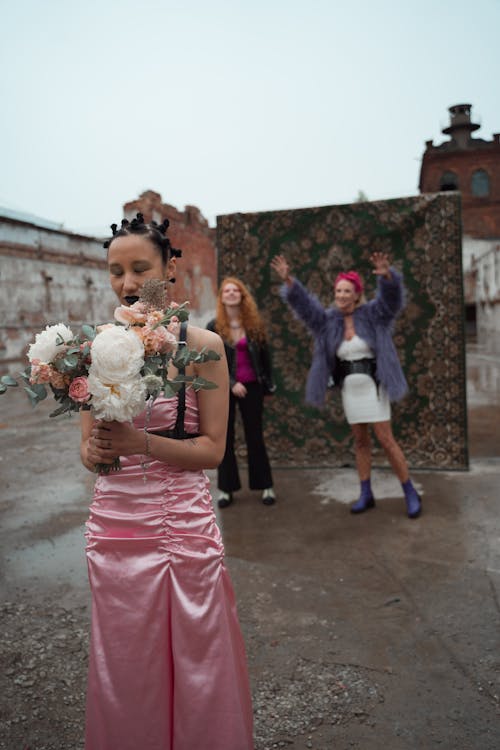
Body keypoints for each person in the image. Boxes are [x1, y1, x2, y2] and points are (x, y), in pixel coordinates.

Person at [80, 214, 254, 750]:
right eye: (115, 272)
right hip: (114, 526)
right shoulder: (96, 349)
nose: (128, 284)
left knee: (199, 651)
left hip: (182, 524)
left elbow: (213, 450)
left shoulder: (203, 346)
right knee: (124, 658)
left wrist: (140, 444)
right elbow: (91, 454)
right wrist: (96, 451)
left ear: (169, 267)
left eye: (139, 269)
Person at [271, 252, 422, 519]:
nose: (340, 295)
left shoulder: (374, 314)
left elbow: (392, 301)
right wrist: (290, 282)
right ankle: (366, 493)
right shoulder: (328, 320)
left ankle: (409, 491)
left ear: (356, 294)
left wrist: (387, 277)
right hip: (351, 390)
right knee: (361, 441)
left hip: (375, 386)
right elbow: (306, 309)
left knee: (386, 440)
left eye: (346, 291)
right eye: (338, 290)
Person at [207, 277, 276, 508]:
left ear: (242, 296)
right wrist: (230, 382)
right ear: (222, 297)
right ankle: (226, 490)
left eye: (236, 290)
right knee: (225, 438)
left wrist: (268, 386)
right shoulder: (213, 327)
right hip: (225, 389)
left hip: (253, 387)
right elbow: (210, 362)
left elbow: (266, 359)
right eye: (227, 290)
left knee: (255, 436)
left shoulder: (254, 325)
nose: (231, 293)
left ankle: (265, 486)